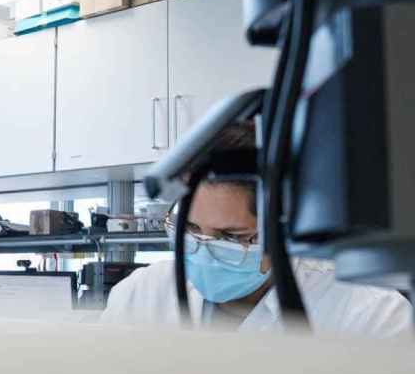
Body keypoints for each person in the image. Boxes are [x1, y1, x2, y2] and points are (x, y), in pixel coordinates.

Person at [101, 123, 412, 337]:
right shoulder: (140, 295)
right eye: (191, 229)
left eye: (231, 237)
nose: (204, 250)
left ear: (285, 230)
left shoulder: (367, 314)